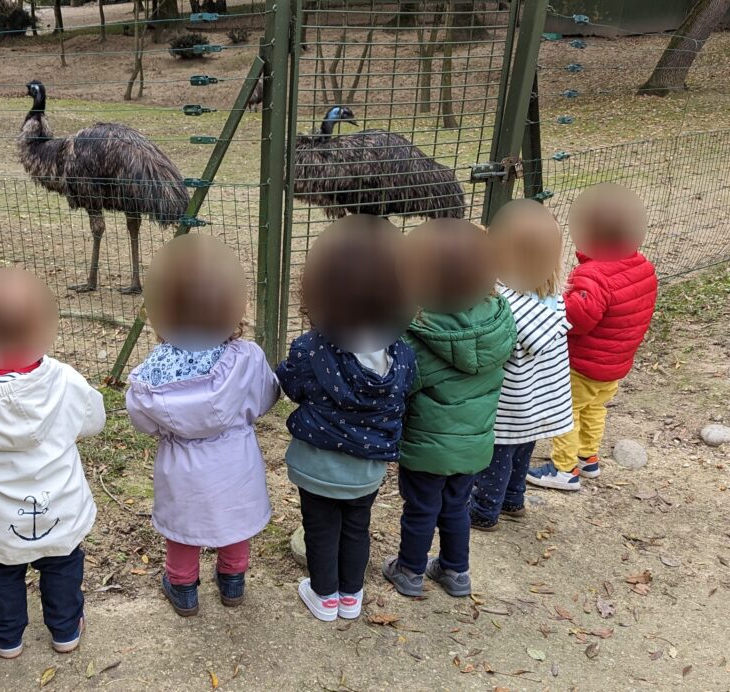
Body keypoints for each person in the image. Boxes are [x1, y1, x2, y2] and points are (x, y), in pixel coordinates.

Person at [0, 268, 105, 658]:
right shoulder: (66, 380)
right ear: (44, 330)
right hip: (59, 505)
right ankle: (66, 631)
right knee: (63, 567)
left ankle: (6, 636)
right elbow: (94, 421)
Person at [126, 235, 279, 617]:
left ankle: (183, 589)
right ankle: (232, 582)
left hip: (181, 465)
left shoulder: (153, 371)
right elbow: (265, 399)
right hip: (235, 460)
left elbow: (141, 418)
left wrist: (167, 427)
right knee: (234, 521)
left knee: (183, 527)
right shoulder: (247, 357)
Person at [277, 215, 417, 622]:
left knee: (320, 530)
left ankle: (324, 597)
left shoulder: (310, 348)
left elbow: (292, 386)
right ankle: (351, 597)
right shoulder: (403, 353)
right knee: (357, 527)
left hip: (315, 468)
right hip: (367, 471)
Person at [383, 219, 516, 598]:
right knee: (456, 506)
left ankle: (409, 569)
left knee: (422, 508)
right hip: (475, 445)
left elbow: (403, 387)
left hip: (426, 447)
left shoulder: (415, 335)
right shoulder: (499, 321)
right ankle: (456, 572)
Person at [527, 184, 657, 490]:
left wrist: (560, 304)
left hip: (582, 365)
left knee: (566, 411)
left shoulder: (594, 275)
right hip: (614, 364)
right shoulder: (644, 267)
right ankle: (588, 458)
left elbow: (578, 320)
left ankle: (564, 468)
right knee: (595, 407)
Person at [469, 200, 574, 530]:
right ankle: (514, 500)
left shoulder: (502, 301)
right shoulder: (552, 293)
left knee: (497, 457)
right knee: (521, 453)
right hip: (543, 400)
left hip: (512, 403)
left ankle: (485, 511)